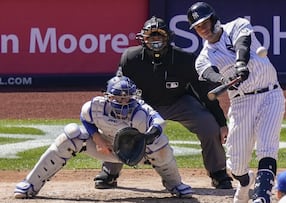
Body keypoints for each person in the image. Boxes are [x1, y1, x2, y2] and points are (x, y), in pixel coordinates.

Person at [93, 16, 233, 190]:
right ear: (143, 39)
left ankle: (218, 172)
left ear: (168, 37)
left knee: (208, 126)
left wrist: (220, 122)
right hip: (141, 105)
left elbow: (204, 93)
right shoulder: (130, 58)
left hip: (178, 102)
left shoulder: (185, 59)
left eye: (159, 36)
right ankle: (110, 172)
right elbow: (118, 87)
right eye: (151, 36)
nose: (155, 41)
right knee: (120, 127)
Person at [13, 76, 193, 199]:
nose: (124, 102)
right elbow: (85, 119)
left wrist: (148, 137)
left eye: (127, 99)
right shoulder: (95, 107)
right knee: (71, 134)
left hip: (138, 153)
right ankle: (30, 185)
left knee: (160, 145)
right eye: (118, 99)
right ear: (107, 96)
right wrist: (97, 140)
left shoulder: (141, 110)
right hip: (107, 147)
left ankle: (175, 184)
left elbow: (159, 123)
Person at [187, 2, 286, 203]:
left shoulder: (237, 25)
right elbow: (209, 74)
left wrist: (241, 63)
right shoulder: (203, 58)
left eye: (205, 23)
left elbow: (243, 44)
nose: (203, 29)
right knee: (236, 165)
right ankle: (245, 182)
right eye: (198, 27)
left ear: (214, 19)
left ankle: (261, 196)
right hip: (241, 103)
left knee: (267, 147)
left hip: (270, 94)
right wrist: (224, 80)